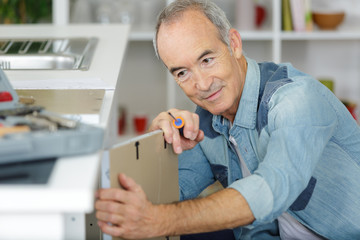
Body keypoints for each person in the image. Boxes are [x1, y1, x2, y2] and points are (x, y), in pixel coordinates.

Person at [95, 0, 360, 239]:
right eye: (183, 73)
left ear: (233, 44)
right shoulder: (209, 121)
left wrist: (160, 221)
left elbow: (271, 189)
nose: (202, 84)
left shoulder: (294, 100)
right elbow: (165, 195)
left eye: (207, 59)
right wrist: (159, 147)